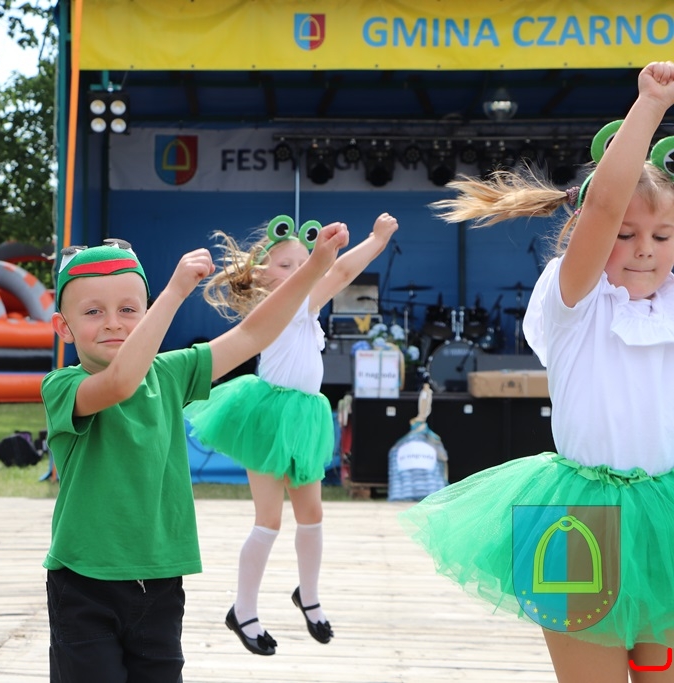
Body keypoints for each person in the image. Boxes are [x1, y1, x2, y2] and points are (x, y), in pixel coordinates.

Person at [400, 61, 674, 683]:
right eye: (627, 233)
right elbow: (604, 205)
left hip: (666, 518)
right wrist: (652, 105)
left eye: (662, 236)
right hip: (576, 519)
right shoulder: (575, 298)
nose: (644, 248)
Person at [42, 224, 349, 683]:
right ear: (62, 328)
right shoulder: (62, 386)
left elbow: (253, 333)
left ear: (145, 313)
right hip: (84, 584)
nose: (113, 322)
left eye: (128, 309)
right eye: (93, 311)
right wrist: (173, 294)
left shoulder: (171, 374)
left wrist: (315, 268)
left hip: (160, 582)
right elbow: (120, 382)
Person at [183, 212, 399, 656]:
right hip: (269, 418)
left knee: (312, 514)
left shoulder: (305, 304)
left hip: (304, 418)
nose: (301, 270)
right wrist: (374, 240)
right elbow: (338, 271)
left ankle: (309, 596)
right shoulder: (284, 304)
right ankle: (243, 609)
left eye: (304, 262)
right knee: (269, 520)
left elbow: (334, 271)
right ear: (263, 275)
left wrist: (372, 242)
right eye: (288, 265)